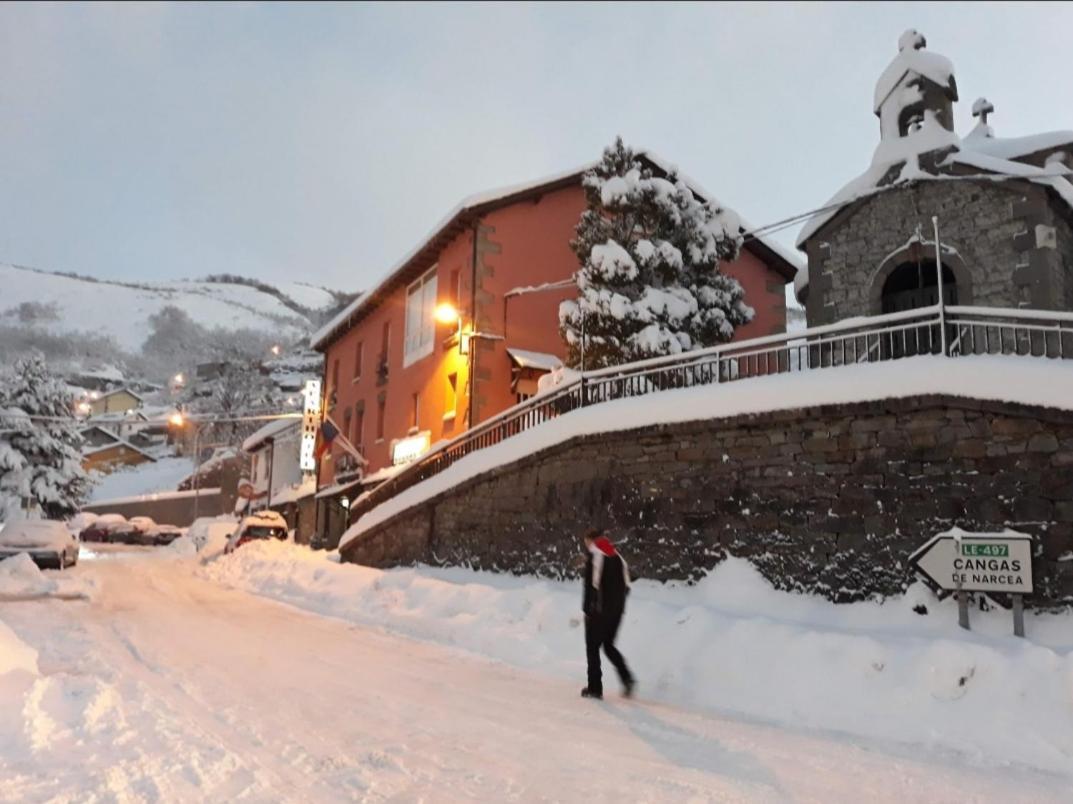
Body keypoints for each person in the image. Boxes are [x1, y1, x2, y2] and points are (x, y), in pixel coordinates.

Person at [580, 528, 635, 700]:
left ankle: (595, 689)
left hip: (599, 611)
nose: (586, 546)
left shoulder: (595, 555)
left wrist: (588, 610)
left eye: (586, 543)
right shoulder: (618, 556)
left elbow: (590, 586)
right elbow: (627, 585)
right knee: (608, 645)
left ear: (591, 540)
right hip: (617, 611)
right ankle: (627, 678)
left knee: (592, 647)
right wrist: (616, 605)